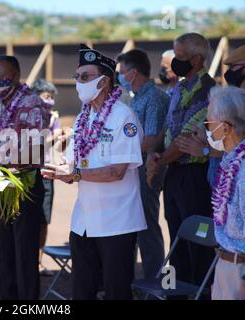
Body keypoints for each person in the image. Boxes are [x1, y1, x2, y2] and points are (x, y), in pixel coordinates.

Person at [42, 44, 146, 300]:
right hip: (84, 222)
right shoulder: (82, 117)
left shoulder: (124, 116)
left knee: (116, 291)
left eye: (85, 77)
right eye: (76, 77)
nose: (78, 82)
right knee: (82, 289)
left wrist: (74, 174)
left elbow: (116, 172)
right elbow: (73, 164)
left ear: (103, 81)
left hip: (117, 222)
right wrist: (61, 171)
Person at [146, 33, 216, 290]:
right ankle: (178, 292)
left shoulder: (209, 91)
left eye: (181, 57)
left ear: (197, 59)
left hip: (194, 175)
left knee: (198, 242)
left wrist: (159, 161)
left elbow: (186, 137)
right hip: (174, 172)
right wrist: (156, 156)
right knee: (176, 237)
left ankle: (202, 292)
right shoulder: (179, 86)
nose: (176, 62)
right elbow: (168, 130)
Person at [0, 55, 51, 300]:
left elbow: (30, 147)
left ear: (16, 75)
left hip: (25, 181)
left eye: (3, 76)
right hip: (0, 178)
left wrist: (2, 152)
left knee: (24, 250)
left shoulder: (31, 101)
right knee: (4, 248)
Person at [117, 48, 168, 279]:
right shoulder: (138, 97)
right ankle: (137, 282)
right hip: (134, 168)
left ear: (133, 73)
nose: (120, 76)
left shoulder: (153, 97)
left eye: (122, 72)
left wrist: (119, 155)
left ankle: (154, 284)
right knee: (133, 226)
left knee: (147, 227)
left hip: (147, 168)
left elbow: (151, 141)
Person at [175, 44, 245, 188]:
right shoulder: (233, 96)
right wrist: (210, 136)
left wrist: (206, 150)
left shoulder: (237, 102)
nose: (229, 72)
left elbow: (237, 145)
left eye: (234, 67)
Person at [206, 86, 245, 300]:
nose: (207, 129)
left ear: (226, 127)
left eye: (209, 123)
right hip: (226, 263)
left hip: (240, 269)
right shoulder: (230, 160)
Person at [31, 78, 60, 276]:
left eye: (51, 97)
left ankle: (38, 261)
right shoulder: (25, 114)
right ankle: (24, 259)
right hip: (28, 172)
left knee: (43, 219)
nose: (49, 101)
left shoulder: (53, 117)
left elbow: (57, 144)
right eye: (45, 96)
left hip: (47, 171)